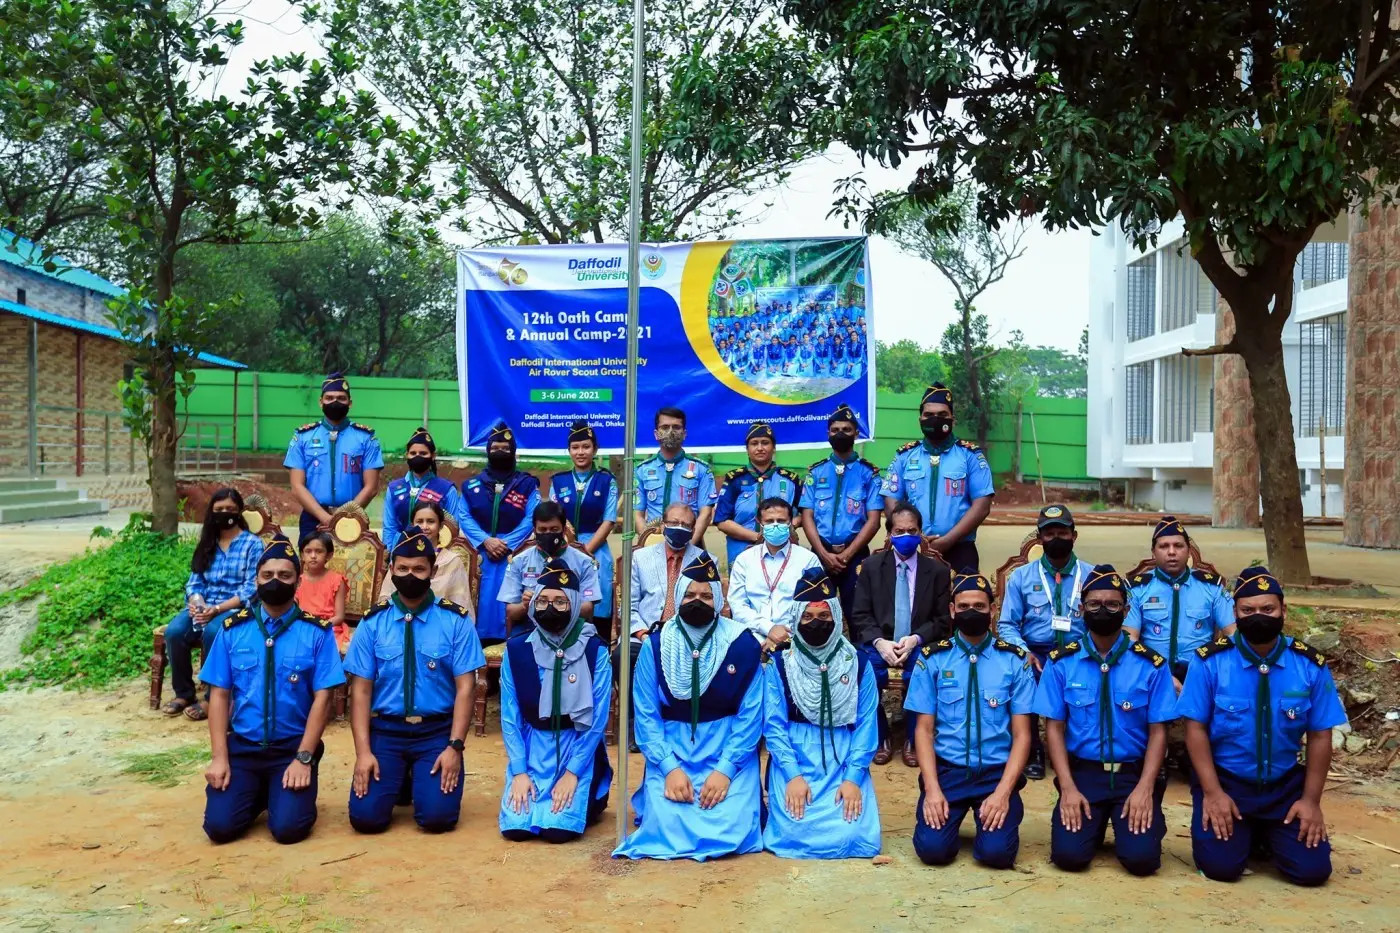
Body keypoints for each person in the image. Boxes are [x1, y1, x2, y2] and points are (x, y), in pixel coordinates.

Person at [1177, 567, 1348, 886]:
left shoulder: (1308, 664)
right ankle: (1251, 833)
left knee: (1311, 872)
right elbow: (1194, 728)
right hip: (1227, 782)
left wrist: (1311, 801)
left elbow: (1320, 735)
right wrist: (1212, 793)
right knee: (1221, 868)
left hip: (1284, 787)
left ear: (1283, 610)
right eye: (1248, 610)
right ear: (1235, 613)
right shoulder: (1209, 662)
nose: (1258, 617)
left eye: (1267, 609)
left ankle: (1264, 832)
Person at [613, 552, 765, 861]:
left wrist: (725, 770)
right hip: (672, 751)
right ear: (678, 596)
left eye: (706, 596)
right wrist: (669, 768)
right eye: (690, 595)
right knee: (666, 823)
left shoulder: (744, 645)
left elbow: (751, 717)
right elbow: (646, 715)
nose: (698, 601)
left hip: (728, 751)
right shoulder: (655, 645)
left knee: (731, 826)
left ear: (719, 599)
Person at [1032, 565, 1176, 876]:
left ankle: (1144, 820)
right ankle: (1093, 825)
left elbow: (1159, 732)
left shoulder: (1151, 665)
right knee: (1069, 858)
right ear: (1082, 609)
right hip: (1083, 775)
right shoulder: (1061, 662)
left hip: (1133, 775)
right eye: (1095, 604)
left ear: (1126, 610)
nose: (1103, 611)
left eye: (1112, 605)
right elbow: (1053, 729)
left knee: (1141, 861)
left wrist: (1145, 788)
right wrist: (1067, 787)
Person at [201, 535, 344, 844]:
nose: (275, 581)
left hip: (291, 748)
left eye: (284, 575)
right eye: (267, 575)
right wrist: (219, 757)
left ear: (298, 581)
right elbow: (219, 695)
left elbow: (324, 698)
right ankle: (262, 791)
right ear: (256, 580)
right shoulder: (232, 630)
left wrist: (304, 757)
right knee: (220, 829)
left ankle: (290, 788)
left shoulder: (317, 633)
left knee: (288, 830)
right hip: (244, 748)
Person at [345, 527, 484, 834]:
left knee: (437, 819)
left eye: (419, 569)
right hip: (386, 732)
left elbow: (466, 688)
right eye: (403, 568)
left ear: (432, 572)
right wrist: (363, 754)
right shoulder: (373, 622)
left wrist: (455, 747)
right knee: (366, 819)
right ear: (391, 570)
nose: (410, 575)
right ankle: (402, 778)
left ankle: (414, 778)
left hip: (436, 733)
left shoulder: (455, 621)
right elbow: (361, 691)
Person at [904, 573, 1035, 869]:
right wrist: (932, 789)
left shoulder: (1014, 660)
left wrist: (1003, 793)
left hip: (995, 774)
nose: (971, 612)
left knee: (996, 855)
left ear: (993, 610)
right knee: (933, 851)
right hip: (948, 772)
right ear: (952, 610)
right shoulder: (933, 659)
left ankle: (994, 823)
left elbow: (1022, 735)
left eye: (979, 606)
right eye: (963, 607)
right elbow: (923, 731)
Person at [762, 566, 882, 859]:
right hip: (795, 757)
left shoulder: (858, 662)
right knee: (793, 833)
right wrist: (792, 776)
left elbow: (867, 724)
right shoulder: (780, 663)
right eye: (808, 617)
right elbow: (774, 726)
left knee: (852, 835)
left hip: (843, 759)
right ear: (796, 618)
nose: (816, 622)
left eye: (824, 616)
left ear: (836, 617)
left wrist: (853, 778)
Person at [499, 562, 613, 842]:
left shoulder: (594, 650)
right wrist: (519, 772)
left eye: (560, 602)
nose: (550, 608)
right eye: (543, 600)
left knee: (558, 832)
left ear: (574, 604)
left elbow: (597, 721)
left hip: (577, 747)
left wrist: (573, 773)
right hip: (532, 750)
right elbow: (510, 718)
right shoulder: (516, 649)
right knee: (516, 829)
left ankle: (590, 793)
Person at [998, 504, 1096, 779]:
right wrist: (1023, 651)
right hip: (1036, 652)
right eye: (1049, 533)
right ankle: (1033, 751)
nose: (1056, 538)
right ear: (1040, 538)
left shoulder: (1092, 575)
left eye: (1062, 533)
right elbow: (1007, 624)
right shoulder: (1021, 577)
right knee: (1022, 675)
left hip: (1078, 651)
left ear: (1074, 536)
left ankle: (1076, 749)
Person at [850, 503, 952, 767]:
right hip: (879, 643)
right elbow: (860, 615)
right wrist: (880, 642)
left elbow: (942, 621)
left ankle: (913, 738)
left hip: (919, 643)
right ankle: (880, 735)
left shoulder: (937, 571)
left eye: (912, 530)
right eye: (899, 531)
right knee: (862, 672)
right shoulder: (871, 567)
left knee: (922, 671)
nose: (906, 536)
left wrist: (915, 639)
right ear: (889, 534)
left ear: (921, 533)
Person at [162, 488, 261, 721]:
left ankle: (211, 698)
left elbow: (251, 589)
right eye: (219, 509)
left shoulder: (252, 544)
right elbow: (194, 582)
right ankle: (184, 694)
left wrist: (217, 609)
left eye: (230, 509)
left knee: (214, 632)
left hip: (237, 609)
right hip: (205, 607)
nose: (224, 513)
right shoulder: (207, 542)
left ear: (239, 512)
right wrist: (198, 604)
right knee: (174, 632)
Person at [616, 503, 705, 751]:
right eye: (674, 523)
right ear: (663, 525)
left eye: (686, 525)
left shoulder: (703, 561)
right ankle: (634, 724)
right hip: (644, 633)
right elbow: (627, 606)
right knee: (624, 655)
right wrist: (643, 634)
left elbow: (709, 606)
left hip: (687, 635)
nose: (679, 528)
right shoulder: (639, 558)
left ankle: (682, 724)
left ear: (694, 529)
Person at [881, 383, 994, 574]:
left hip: (960, 549)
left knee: (965, 593)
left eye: (942, 415)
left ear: (953, 420)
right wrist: (916, 537)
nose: (935, 419)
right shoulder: (904, 456)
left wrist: (948, 540)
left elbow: (982, 506)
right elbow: (891, 500)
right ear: (920, 419)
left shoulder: (971, 456)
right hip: (912, 548)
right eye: (929, 415)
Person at [1125, 516, 1236, 686]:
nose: (1171, 552)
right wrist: (1162, 677)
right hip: (1152, 675)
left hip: (1202, 676)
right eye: (1164, 546)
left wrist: (1207, 668)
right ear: (1153, 552)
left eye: (1178, 546)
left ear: (1189, 550)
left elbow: (1233, 634)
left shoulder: (1212, 587)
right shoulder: (1136, 589)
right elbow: (1130, 641)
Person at [798, 404, 883, 615]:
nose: (840, 434)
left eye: (846, 429)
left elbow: (874, 521)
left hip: (855, 555)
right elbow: (807, 516)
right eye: (835, 430)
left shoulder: (868, 474)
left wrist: (846, 555)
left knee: (858, 614)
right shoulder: (816, 472)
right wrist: (822, 553)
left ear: (856, 433)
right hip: (820, 552)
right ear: (828, 433)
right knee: (815, 612)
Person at [461, 421, 541, 643]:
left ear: (513, 452)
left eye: (505, 448)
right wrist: (486, 541)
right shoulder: (472, 485)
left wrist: (507, 543)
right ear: (488, 451)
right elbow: (464, 516)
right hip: (481, 553)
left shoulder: (527, 484)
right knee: (482, 600)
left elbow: (532, 518)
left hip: (513, 554)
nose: (499, 452)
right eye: (495, 448)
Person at [285, 372, 384, 541]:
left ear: (350, 403)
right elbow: (296, 486)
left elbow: (371, 487)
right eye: (329, 398)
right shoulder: (303, 437)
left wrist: (344, 516)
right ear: (321, 402)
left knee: (355, 559)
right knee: (312, 559)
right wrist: (325, 517)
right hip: (313, 519)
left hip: (353, 519)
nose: (335, 402)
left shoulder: (366, 438)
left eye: (341, 398)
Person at [548, 420, 619, 642]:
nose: (580, 452)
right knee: (562, 603)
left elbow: (609, 520)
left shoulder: (606, 481)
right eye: (575, 447)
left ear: (595, 449)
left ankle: (600, 652)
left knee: (598, 607)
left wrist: (585, 552)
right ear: (569, 450)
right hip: (563, 549)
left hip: (596, 551)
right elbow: (552, 519)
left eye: (586, 447)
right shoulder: (558, 481)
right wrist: (569, 549)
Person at [728, 497, 823, 653]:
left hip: (796, 639)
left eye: (781, 521)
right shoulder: (744, 560)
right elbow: (738, 606)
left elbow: (814, 605)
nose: (775, 525)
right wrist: (769, 629)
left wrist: (785, 635)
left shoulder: (808, 560)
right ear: (760, 523)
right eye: (769, 521)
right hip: (752, 637)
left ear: (790, 522)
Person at [713, 421, 803, 568]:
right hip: (742, 550)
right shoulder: (734, 479)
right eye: (754, 443)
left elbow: (806, 513)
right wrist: (758, 537)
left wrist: (786, 528)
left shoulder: (790, 480)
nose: (760, 448)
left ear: (774, 448)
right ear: (747, 449)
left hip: (783, 549)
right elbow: (722, 521)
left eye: (765, 443)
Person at [499, 501, 600, 631]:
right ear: (534, 530)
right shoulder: (518, 561)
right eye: (542, 530)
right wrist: (526, 605)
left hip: (571, 629)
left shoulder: (584, 562)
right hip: (530, 628)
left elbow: (587, 609)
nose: (548, 534)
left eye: (554, 529)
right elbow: (511, 612)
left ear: (564, 530)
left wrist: (559, 605)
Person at [633, 407, 716, 543]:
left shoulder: (701, 469)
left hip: (690, 542)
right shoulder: (642, 470)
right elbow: (638, 514)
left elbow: (705, 514)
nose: (670, 432)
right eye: (665, 427)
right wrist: (647, 542)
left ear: (684, 434)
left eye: (676, 427)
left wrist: (688, 547)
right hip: (652, 542)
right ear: (656, 434)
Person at [377, 501, 475, 615]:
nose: (425, 527)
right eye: (419, 521)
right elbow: (386, 596)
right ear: (412, 525)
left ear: (440, 526)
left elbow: (461, 602)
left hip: (441, 621)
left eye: (430, 521)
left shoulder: (452, 561)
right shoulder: (401, 558)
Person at [381, 426, 467, 549]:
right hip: (399, 551)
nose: (418, 457)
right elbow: (389, 528)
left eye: (423, 453)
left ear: (433, 456)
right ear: (407, 455)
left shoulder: (447, 490)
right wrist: (388, 554)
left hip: (434, 553)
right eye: (413, 453)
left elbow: (452, 529)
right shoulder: (394, 489)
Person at [295, 531, 349, 651]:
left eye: (319, 551)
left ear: (328, 555)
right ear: (302, 555)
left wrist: (320, 625)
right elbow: (293, 610)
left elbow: (339, 616)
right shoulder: (298, 581)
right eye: (308, 551)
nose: (313, 556)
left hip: (329, 627)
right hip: (304, 626)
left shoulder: (337, 580)